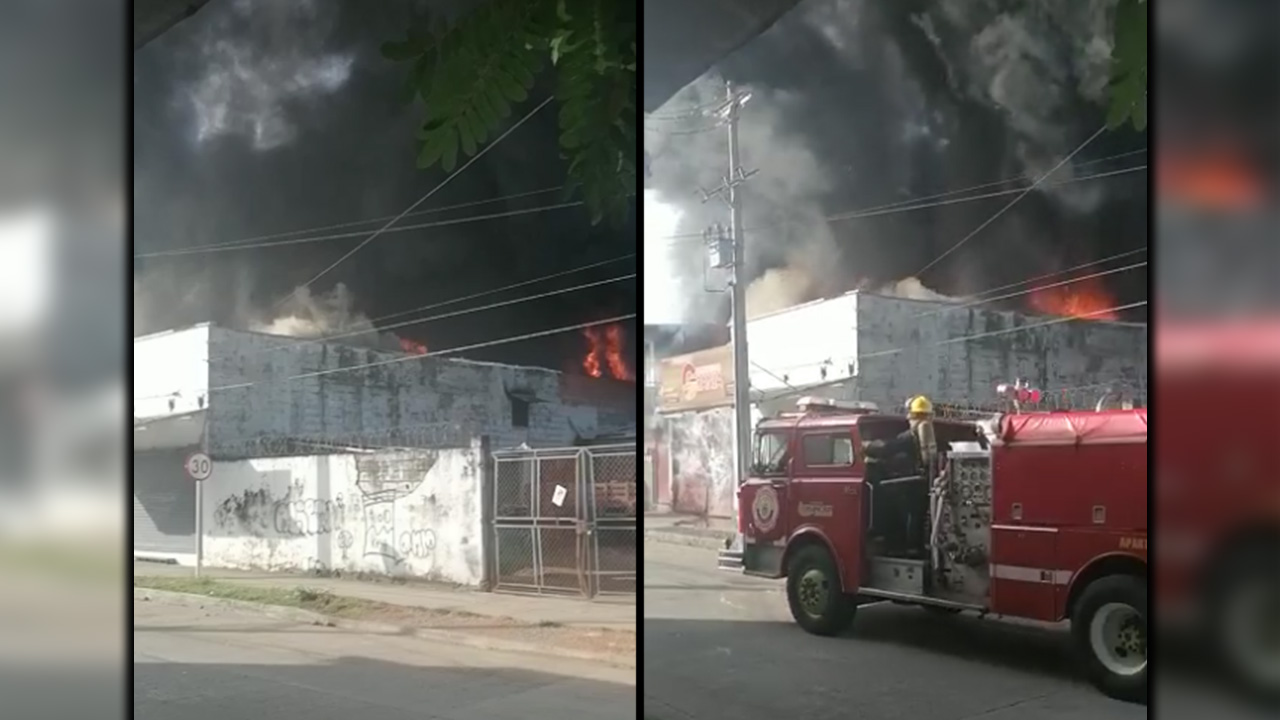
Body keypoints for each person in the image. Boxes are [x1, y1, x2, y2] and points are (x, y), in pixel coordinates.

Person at [862, 395, 939, 479]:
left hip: (907, 482)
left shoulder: (909, 437)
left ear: (912, 415)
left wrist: (867, 446)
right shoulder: (928, 434)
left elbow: (886, 447)